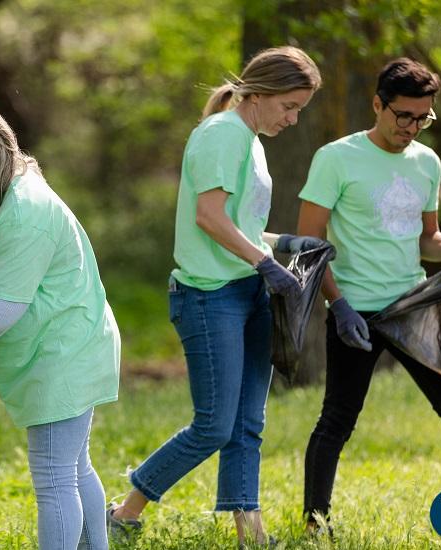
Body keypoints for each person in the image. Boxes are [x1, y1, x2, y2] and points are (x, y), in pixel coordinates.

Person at [107, 46, 324, 547]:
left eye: (299, 110)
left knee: (248, 423)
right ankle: (124, 512)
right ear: (261, 93)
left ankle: (252, 534)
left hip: (248, 291)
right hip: (209, 296)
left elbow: (241, 226)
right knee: (214, 426)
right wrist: (266, 262)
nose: (293, 119)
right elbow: (209, 217)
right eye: (289, 106)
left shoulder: (251, 139)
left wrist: (287, 245)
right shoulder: (222, 134)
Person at [298, 57, 441, 532]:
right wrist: (338, 304)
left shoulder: (427, 161)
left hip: (411, 307)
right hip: (356, 311)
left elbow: (427, 237)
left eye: (421, 118)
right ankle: (315, 522)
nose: (411, 127)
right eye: (402, 115)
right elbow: (308, 246)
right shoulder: (336, 158)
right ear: (378, 105)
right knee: (338, 420)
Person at [0, 100, 121, 549]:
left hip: (64, 350)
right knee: (73, 467)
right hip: (60, 345)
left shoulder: (26, 211)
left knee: (54, 477)